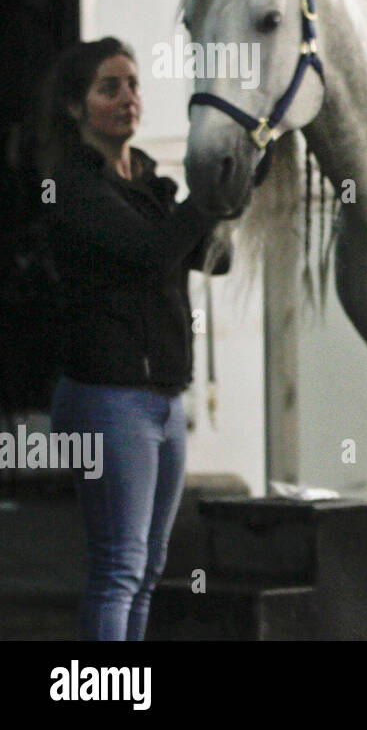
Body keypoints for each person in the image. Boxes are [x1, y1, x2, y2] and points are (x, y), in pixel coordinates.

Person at [36, 37, 229, 640]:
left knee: (147, 568)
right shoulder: (73, 187)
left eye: (134, 85)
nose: (128, 99)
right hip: (109, 398)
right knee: (119, 566)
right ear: (76, 108)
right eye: (108, 88)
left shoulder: (146, 178)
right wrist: (207, 200)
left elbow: (211, 259)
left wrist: (231, 190)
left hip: (162, 396)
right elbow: (152, 255)